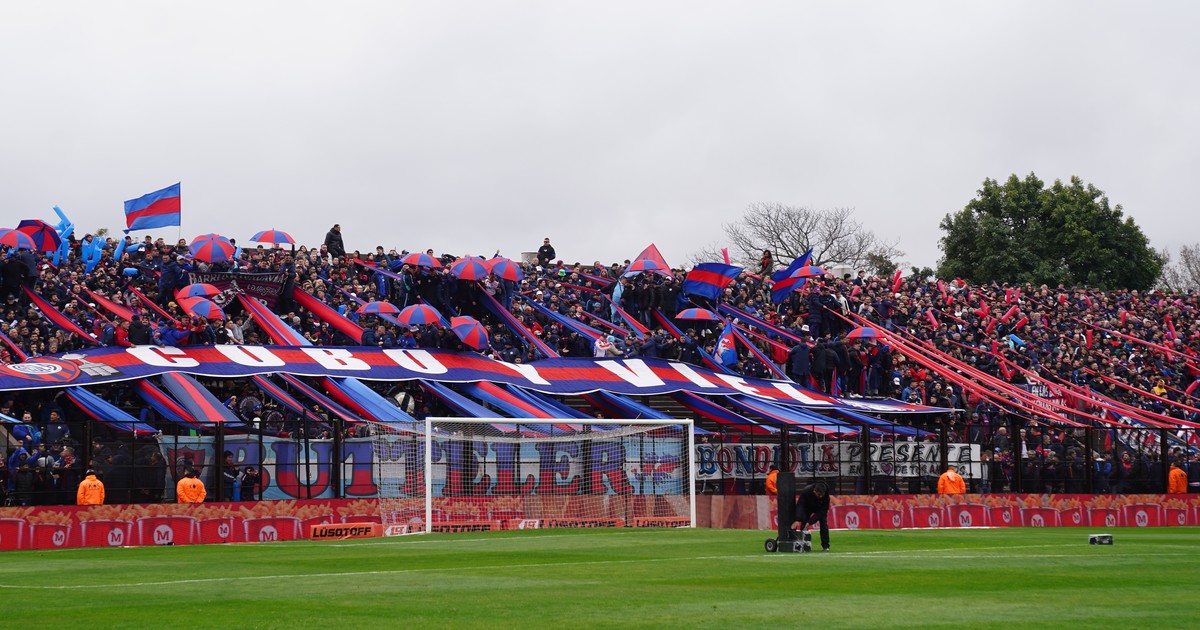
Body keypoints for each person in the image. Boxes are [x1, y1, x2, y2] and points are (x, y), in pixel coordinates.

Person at [794, 481, 830, 552]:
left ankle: (825, 546)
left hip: (820, 509)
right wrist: (798, 519)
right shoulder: (806, 492)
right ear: (814, 491)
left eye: (822, 495)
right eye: (818, 495)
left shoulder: (826, 496)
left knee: (824, 525)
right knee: (804, 523)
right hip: (808, 507)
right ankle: (802, 544)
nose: (820, 496)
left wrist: (810, 522)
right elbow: (800, 505)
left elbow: (822, 512)